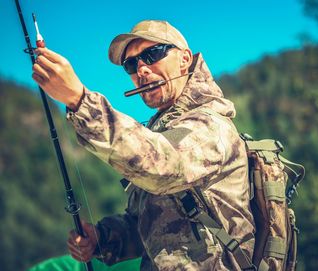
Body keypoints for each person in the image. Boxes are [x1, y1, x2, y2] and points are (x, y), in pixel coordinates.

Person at [32, 20, 255, 270]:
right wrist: (102, 239)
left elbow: (164, 166)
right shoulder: (163, 132)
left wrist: (80, 101)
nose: (142, 69)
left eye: (152, 54)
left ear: (184, 59)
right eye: (131, 64)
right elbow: (154, 227)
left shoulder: (211, 124)